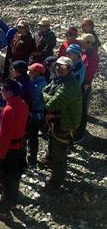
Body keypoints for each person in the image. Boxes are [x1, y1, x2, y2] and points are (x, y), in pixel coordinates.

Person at [42, 56, 82, 190]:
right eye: (57, 66)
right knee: (54, 145)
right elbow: (46, 90)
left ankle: (56, 181)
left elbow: (52, 104)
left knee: (59, 152)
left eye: (62, 67)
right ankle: (53, 167)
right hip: (59, 120)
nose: (58, 69)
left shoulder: (69, 85)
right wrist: (46, 95)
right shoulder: (59, 79)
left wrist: (45, 96)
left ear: (69, 69)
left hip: (65, 123)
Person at [0, 79, 28, 220]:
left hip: (9, 149)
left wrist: (0, 154)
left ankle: (3, 210)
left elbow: (4, 135)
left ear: (9, 92)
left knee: (6, 180)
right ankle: (13, 202)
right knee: (15, 177)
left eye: (3, 90)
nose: (1, 92)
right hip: (20, 146)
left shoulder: (8, 110)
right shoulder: (23, 104)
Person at [75, 34, 100, 141]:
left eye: (83, 41)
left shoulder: (92, 55)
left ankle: (80, 133)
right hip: (81, 83)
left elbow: (88, 71)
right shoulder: (86, 53)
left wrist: (83, 82)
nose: (81, 43)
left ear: (89, 43)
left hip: (84, 84)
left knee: (82, 107)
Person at [27, 63, 47, 166]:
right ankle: (31, 157)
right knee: (32, 136)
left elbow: (33, 98)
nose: (29, 72)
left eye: (31, 71)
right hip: (36, 113)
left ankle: (32, 158)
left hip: (36, 113)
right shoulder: (38, 82)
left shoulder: (39, 85)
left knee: (33, 136)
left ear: (37, 73)